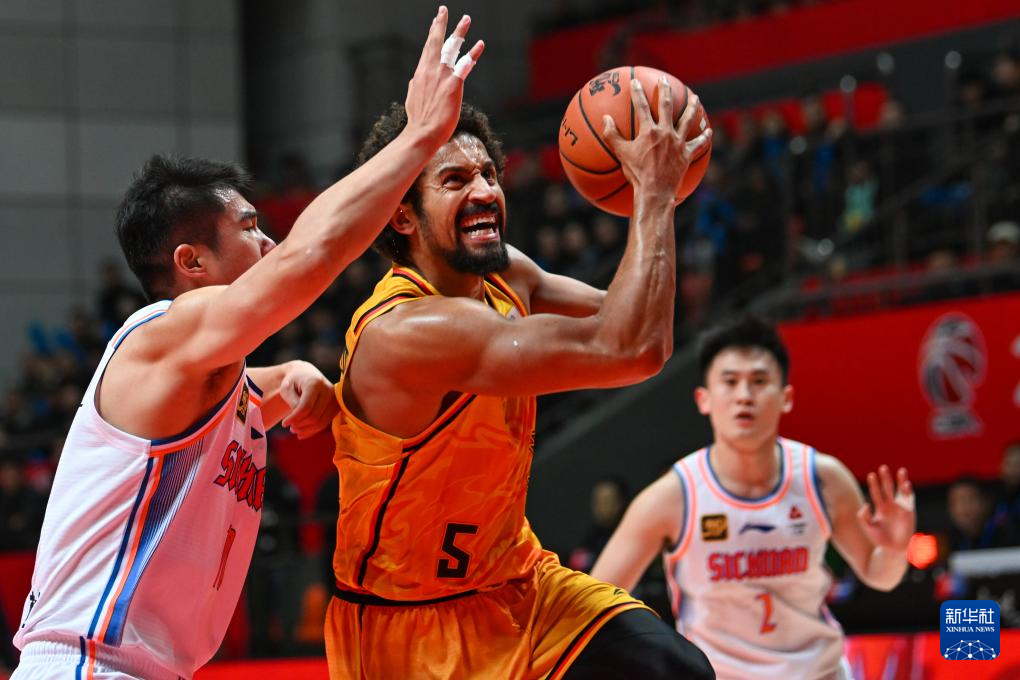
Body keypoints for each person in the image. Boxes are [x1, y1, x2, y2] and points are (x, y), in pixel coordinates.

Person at [11, 8, 485, 679]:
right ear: (191, 262)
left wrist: (293, 374)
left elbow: (253, 389)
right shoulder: (161, 334)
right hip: (92, 664)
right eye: (249, 226)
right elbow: (311, 255)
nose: (269, 242)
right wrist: (419, 138)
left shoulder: (201, 374)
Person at [325, 68, 715, 678]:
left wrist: (655, 195)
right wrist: (654, 195)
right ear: (402, 217)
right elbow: (630, 346)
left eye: (489, 174)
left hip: (520, 582)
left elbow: (642, 324)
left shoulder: (507, 274)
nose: (484, 191)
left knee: (673, 668)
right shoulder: (405, 333)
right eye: (455, 180)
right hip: (414, 626)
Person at [591, 317, 916, 680]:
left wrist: (893, 550)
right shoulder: (674, 495)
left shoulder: (823, 478)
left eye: (759, 382)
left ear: (786, 398)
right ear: (704, 399)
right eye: (730, 382)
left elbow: (881, 576)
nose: (744, 395)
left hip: (818, 672)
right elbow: (595, 604)